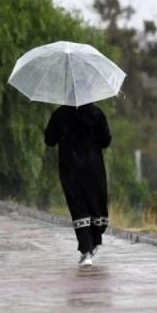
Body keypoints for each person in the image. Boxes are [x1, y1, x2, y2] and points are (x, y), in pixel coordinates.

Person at [44, 103, 111, 267]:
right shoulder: (96, 113)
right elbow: (105, 141)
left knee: (78, 208)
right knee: (95, 206)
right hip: (93, 170)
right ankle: (92, 244)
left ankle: (87, 250)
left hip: (70, 170)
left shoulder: (59, 114)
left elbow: (49, 140)